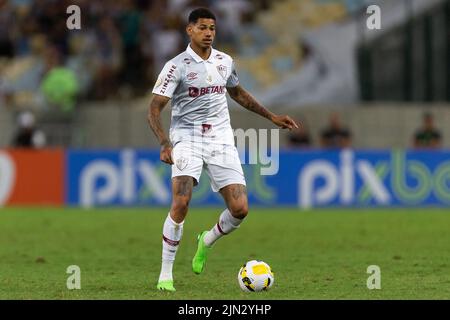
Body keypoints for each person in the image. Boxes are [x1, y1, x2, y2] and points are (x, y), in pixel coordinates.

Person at [147, 8, 298, 292]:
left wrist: (272, 117)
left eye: (212, 28)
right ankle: (165, 274)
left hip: (220, 140)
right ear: (189, 30)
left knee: (240, 209)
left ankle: (206, 240)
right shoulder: (176, 66)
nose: (208, 33)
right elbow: (154, 108)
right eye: (202, 27)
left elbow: (238, 93)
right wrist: (165, 143)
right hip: (187, 139)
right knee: (181, 203)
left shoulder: (224, 62)